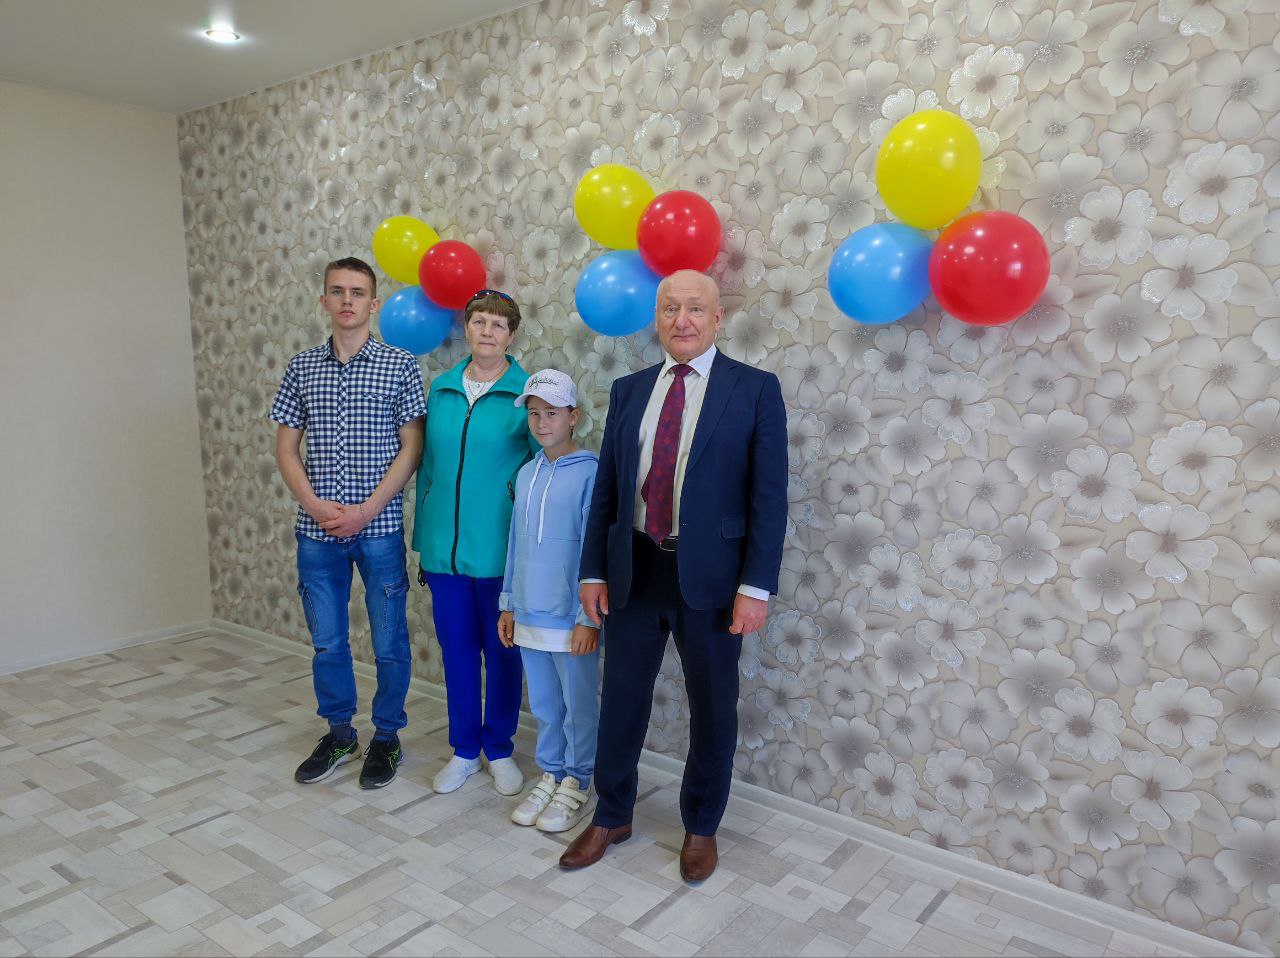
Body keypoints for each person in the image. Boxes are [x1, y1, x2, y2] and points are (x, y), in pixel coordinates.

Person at [561, 269, 787, 881]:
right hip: (634, 568)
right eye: (669, 308)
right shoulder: (629, 390)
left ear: (717, 318)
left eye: (694, 308)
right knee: (621, 701)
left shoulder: (755, 390)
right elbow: (607, 492)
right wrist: (592, 571)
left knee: (713, 709)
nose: (681, 320)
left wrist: (755, 587)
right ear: (656, 318)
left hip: (714, 580)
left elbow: (769, 498)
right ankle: (612, 814)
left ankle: (701, 825)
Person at [271, 256, 427, 789]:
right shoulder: (302, 368)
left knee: (389, 642)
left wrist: (365, 510)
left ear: (373, 303)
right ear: (324, 300)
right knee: (328, 642)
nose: (347, 300)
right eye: (337, 291)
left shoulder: (400, 365)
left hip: (378, 530)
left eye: (357, 292)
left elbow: (411, 449)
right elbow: (286, 449)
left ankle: (386, 737)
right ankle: (340, 733)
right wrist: (315, 505)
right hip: (317, 534)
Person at [412, 290, 537, 796]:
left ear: (511, 335)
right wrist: (423, 542)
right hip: (444, 554)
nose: (488, 331)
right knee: (458, 654)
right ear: (466, 327)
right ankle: (464, 749)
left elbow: (540, 473)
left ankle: (499, 748)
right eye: (480, 321)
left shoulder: (526, 394)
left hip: (500, 554)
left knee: (503, 655)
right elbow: (427, 470)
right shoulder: (441, 388)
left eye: (498, 325)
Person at [497, 370, 601, 833]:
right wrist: (508, 603)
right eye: (535, 413)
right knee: (543, 704)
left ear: (573, 417)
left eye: (552, 413)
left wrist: (587, 619)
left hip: (570, 616)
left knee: (578, 706)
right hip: (529, 611)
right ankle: (552, 773)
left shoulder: (592, 472)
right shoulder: (526, 472)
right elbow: (515, 542)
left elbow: (594, 550)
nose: (542, 422)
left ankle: (578, 780)